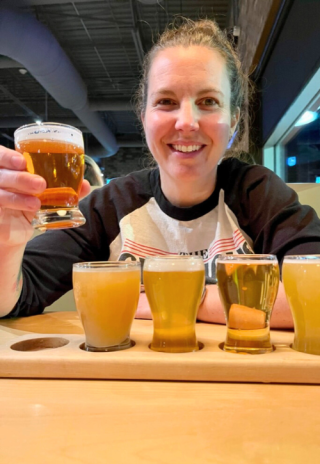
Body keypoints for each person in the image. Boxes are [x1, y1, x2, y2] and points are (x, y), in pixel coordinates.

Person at [1, 18, 320, 327]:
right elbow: (15, 299)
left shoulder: (258, 193)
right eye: (166, 101)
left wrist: (168, 300)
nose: (186, 122)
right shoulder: (109, 206)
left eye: (208, 101)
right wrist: (8, 244)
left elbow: (315, 296)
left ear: (234, 121)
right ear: (143, 117)